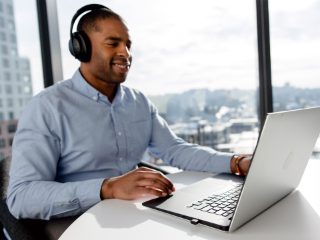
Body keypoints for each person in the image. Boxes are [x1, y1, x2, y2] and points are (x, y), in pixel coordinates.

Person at [6, 4, 251, 220]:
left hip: (134, 212)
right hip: (78, 221)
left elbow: (174, 150)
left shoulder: (139, 102)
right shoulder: (47, 107)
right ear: (81, 48)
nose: (126, 53)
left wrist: (236, 163)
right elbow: (21, 197)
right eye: (113, 43)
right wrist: (106, 188)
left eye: (128, 45)